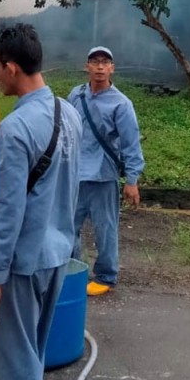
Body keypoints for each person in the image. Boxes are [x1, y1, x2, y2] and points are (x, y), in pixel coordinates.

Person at [0, 24, 81, 380]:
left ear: (12, 67)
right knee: (30, 349)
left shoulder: (14, 130)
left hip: (20, 263)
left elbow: (7, 214)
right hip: (57, 254)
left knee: (12, 357)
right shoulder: (67, 112)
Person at [67, 46, 145, 296]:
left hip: (103, 176)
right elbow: (66, 133)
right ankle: (72, 271)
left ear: (112, 68)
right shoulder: (76, 96)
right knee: (67, 227)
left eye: (105, 62)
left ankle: (106, 275)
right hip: (75, 175)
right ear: (86, 66)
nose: (100, 67)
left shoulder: (121, 104)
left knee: (105, 229)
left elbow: (131, 143)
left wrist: (132, 180)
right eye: (95, 61)